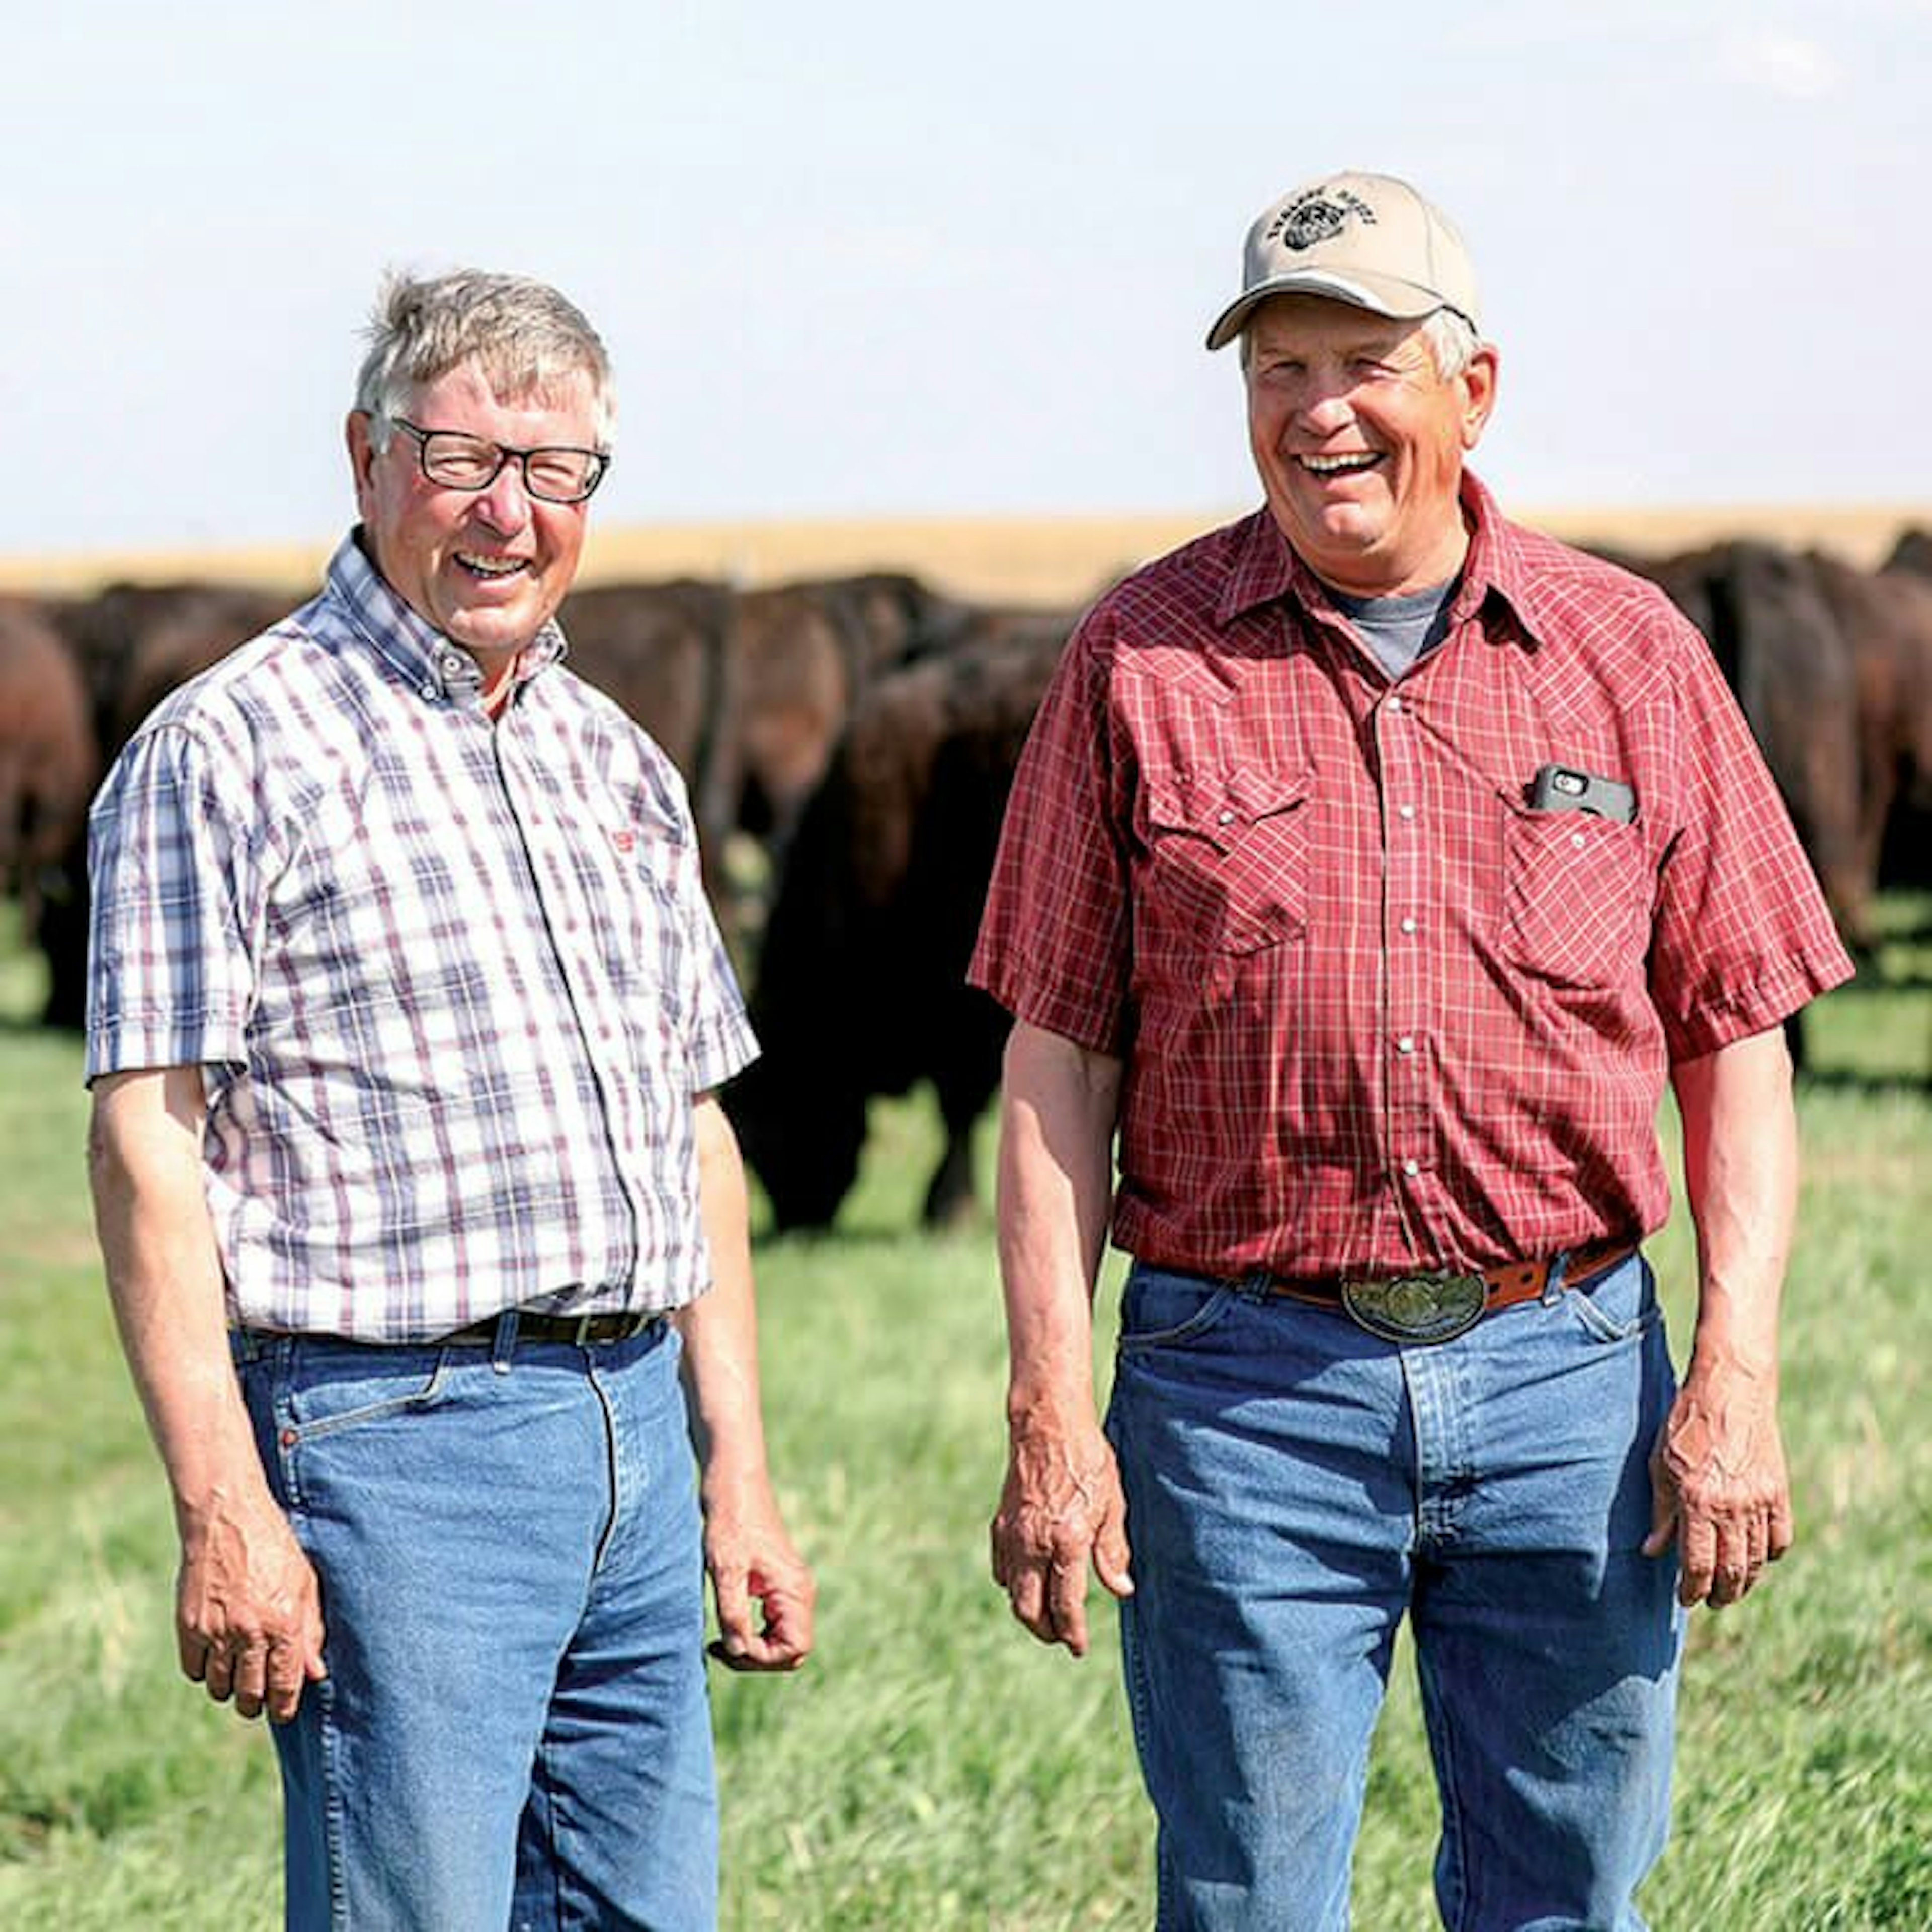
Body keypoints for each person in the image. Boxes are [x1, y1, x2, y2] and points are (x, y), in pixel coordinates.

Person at [970, 170, 1853, 1929]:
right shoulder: (1136, 658)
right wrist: (1051, 1409)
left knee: (1564, 1898)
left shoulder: (1630, 655)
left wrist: (1735, 1377)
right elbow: (1056, 1062)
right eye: (1277, 366)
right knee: (1244, 1904)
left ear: (1475, 387)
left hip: (1570, 1377)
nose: (1319, 412)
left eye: (1363, 359)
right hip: (1242, 1397)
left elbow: (1737, 1038)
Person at [85, 268, 814, 1930]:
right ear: (364, 459)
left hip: (630, 1423)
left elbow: (694, 1130)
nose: (511, 514)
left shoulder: (614, 759)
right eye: (462, 459)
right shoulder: (230, 750)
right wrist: (223, 1507)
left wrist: (738, 1471)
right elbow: (147, 1143)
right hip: (394, 1448)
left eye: (558, 475)